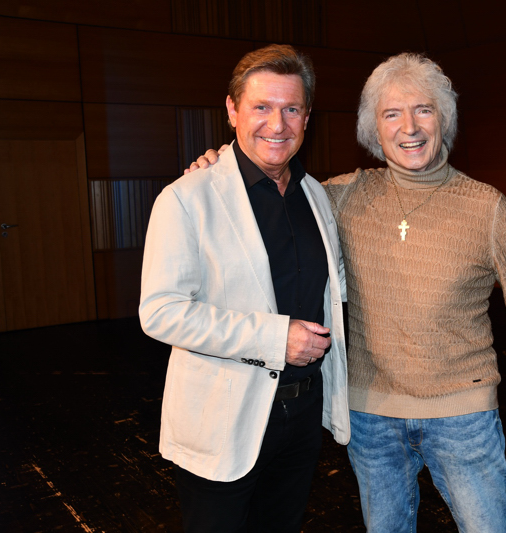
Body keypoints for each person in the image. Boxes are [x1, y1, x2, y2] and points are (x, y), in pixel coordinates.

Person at [191, 53, 506, 533]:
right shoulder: (340, 197)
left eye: (424, 109)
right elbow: (264, 184)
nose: (410, 127)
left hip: (463, 417)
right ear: (373, 130)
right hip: (370, 419)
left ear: (444, 119)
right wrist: (218, 165)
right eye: (392, 114)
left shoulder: (488, 209)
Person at [139, 44, 349, 533]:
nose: (277, 124)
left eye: (291, 109)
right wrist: (275, 338)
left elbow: (334, 286)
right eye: (261, 107)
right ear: (232, 111)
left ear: (307, 117)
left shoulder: (317, 195)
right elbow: (161, 312)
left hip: (302, 415)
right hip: (222, 421)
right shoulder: (186, 197)